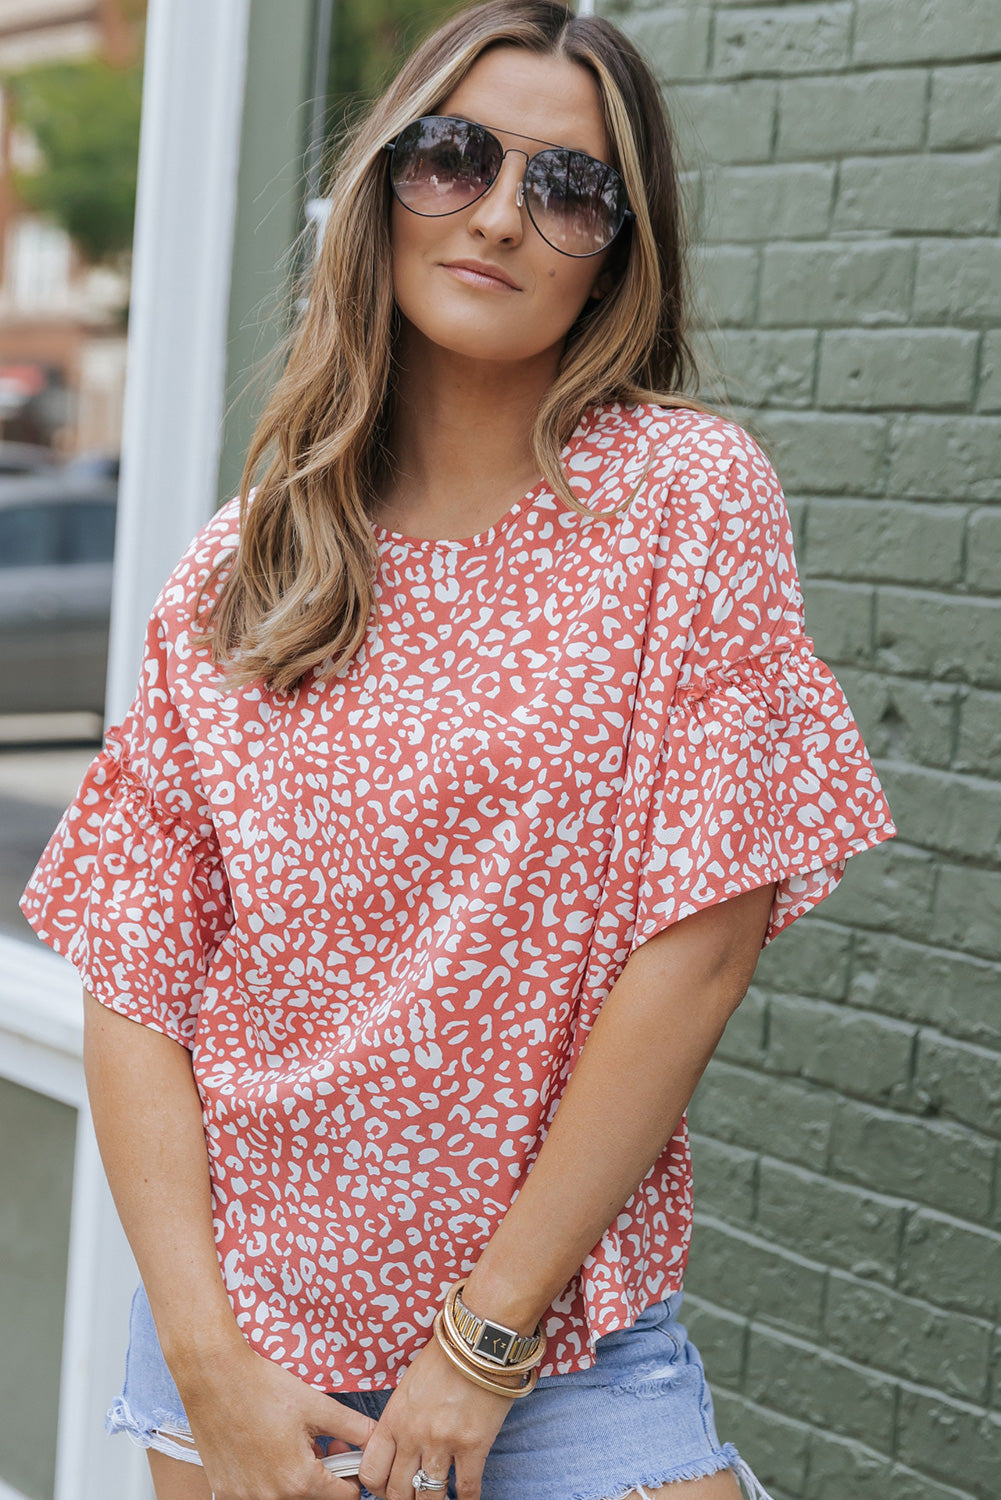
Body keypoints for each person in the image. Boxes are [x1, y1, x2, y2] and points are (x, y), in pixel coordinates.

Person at [20, 3, 898, 1498]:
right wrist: (206, 1355)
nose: (499, 210)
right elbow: (139, 973)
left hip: (550, 1352)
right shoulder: (247, 563)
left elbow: (698, 945)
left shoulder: (683, 505)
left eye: (568, 188)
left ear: (618, 248)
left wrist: (480, 1347)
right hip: (242, 1344)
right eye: (453, 155)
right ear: (382, 184)